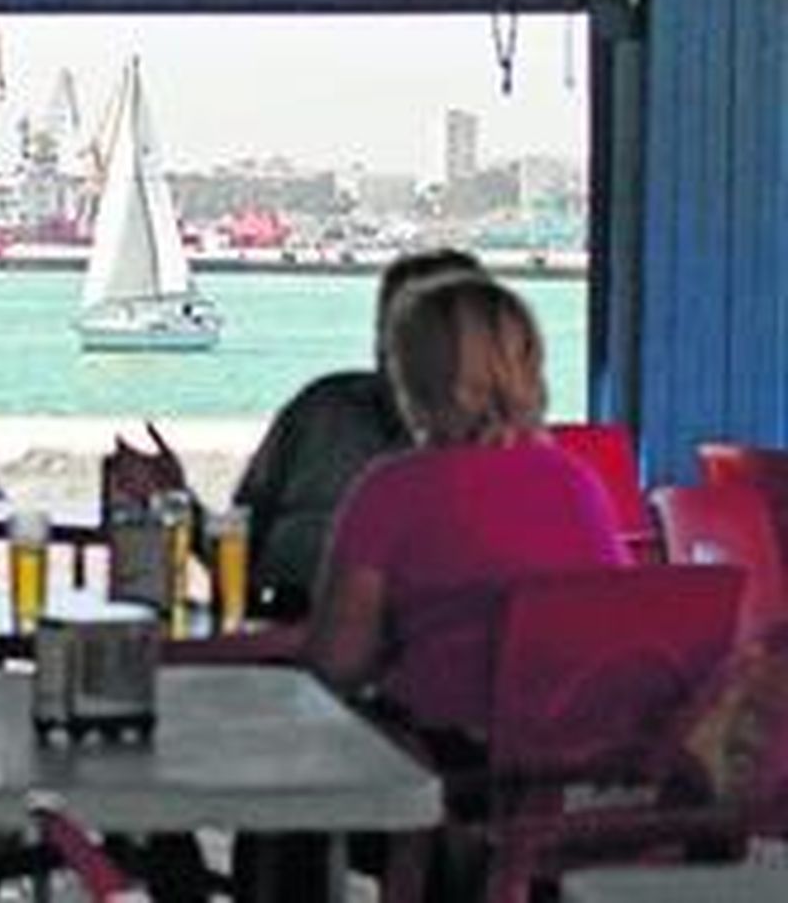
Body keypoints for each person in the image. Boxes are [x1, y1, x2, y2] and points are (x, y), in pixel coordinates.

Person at [305, 273, 633, 743]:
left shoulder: (391, 491)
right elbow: (621, 622)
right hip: (573, 761)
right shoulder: (576, 481)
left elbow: (338, 663)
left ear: (413, 379)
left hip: (446, 764)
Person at [107, 248, 485, 618]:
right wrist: (175, 497)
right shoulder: (323, 410)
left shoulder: (493, 458)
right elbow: (238, 554)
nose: (394, 348)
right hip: (265, 640)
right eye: (388, 327)